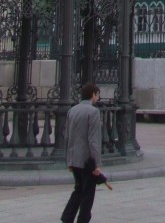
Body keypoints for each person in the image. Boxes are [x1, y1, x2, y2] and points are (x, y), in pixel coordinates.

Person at [61, 82, 103, 223]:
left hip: (74, 158)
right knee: (88, 194)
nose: (98, 98)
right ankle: (83, 220)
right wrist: (96, 163)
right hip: (87, 161)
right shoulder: (93, 112)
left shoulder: (72, 110)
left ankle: (67, 218)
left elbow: (67, 136)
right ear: (93, 95)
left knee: (78, 189)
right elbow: (93, 140)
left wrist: (69, 160)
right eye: (98, 95)